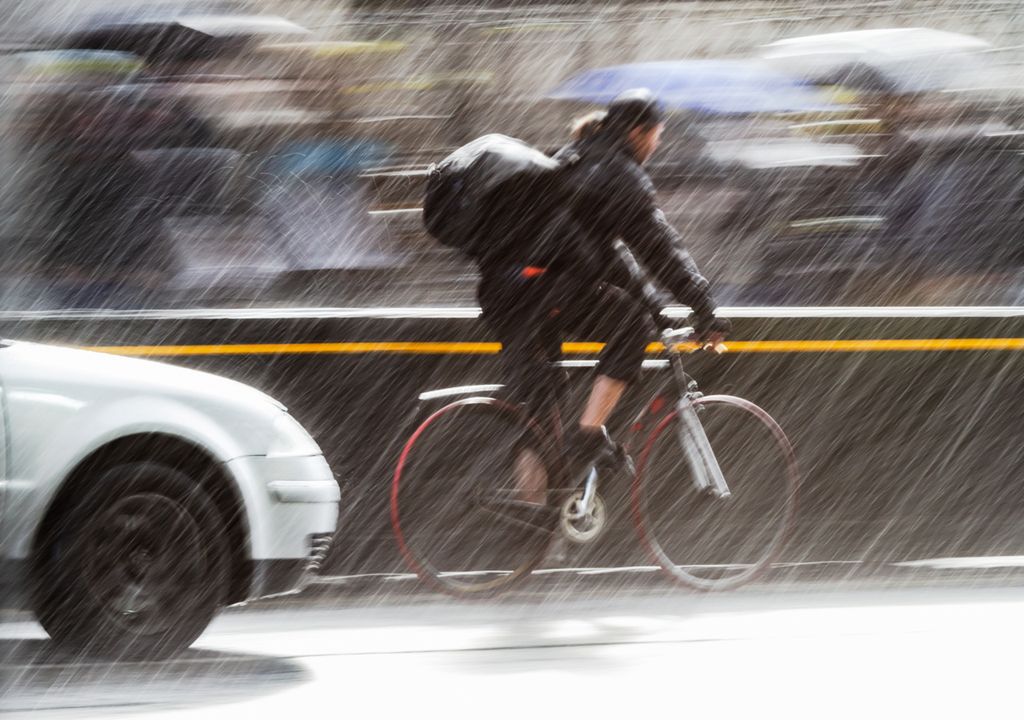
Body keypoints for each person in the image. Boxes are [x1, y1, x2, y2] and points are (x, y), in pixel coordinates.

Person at [477, 88, 730, 495]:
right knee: (630, 326)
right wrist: (705, 307)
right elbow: (659, 248)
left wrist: (657, 307)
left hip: (505, 290)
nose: (657, 145)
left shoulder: (570, 158)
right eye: (657, 135)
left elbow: (609, 257)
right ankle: (588, 435)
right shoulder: (619, 175)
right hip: (544, 291)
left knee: (540, 413)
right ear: (639, 132)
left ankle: (534, 519)